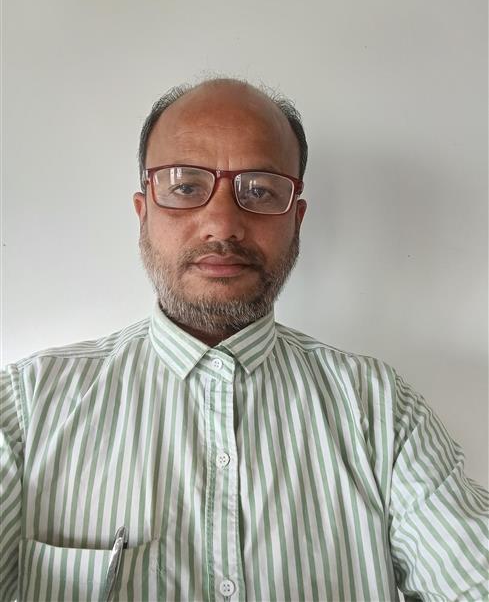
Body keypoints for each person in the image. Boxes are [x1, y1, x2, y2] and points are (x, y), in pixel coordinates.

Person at [1, 77, 487, 602]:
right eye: (185, 186)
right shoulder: (26, 409)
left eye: (259, 190)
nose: (222, 224)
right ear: (144, 213)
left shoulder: (381, 407)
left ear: (296, 219)